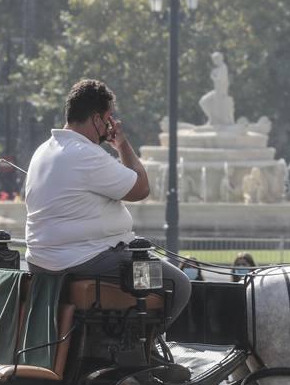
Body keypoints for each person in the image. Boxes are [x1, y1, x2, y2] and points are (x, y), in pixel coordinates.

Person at [23, 79, 190, 322]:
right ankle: (147, 347)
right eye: (108, 117)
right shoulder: (86, 154)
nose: (109, 124)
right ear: (96, 119)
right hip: (84, 260)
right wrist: (122, 144)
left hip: (43, 260)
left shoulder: (44, 150)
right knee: (178, 284)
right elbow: (141, 188)